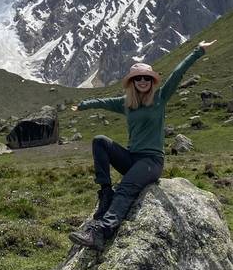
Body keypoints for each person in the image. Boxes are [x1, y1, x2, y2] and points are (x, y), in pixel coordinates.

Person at [68, 40, 217, 251]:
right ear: (132, 82)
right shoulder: (127, 103)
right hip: (132, 158)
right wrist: (82, 105)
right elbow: (102, 102)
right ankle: (105, 192)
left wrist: (198, 50)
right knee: (100, 140)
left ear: (152, 80)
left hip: (151, 162)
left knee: (126, 189)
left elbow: (177, 73)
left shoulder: (160, 98)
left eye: (147, 78)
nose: (143, 81)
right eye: (138, 78)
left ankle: (101, 232)